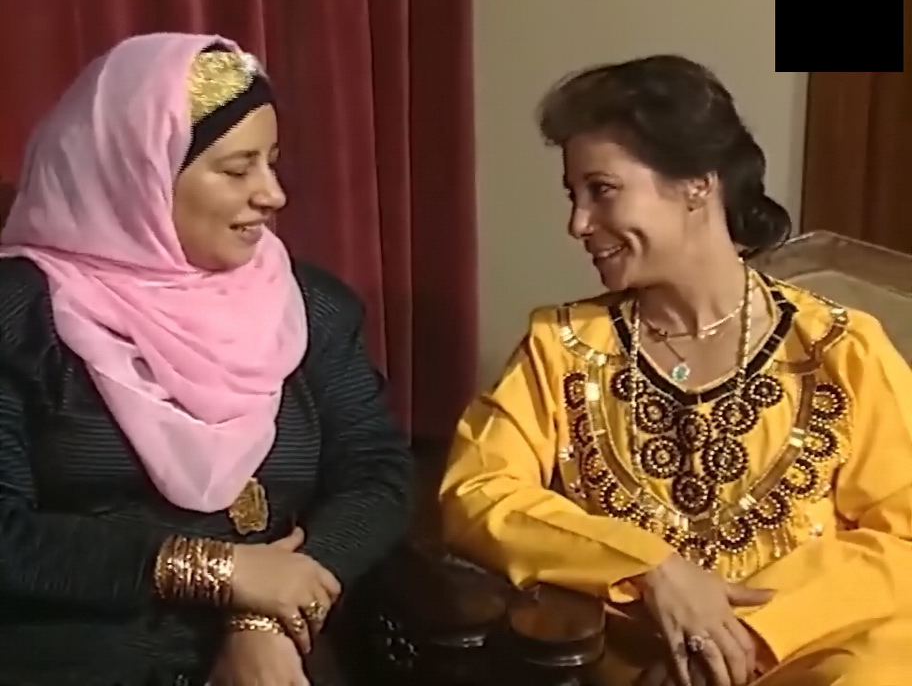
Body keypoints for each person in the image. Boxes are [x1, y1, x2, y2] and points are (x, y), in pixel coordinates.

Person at [439, 55, 912, 686]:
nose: (578, 224)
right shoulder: (562, 346)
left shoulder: (839, 348)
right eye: (574, 197)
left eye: (602, 190)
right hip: (625, 661)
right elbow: (477, 494)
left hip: (808, 651)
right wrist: (650, 567)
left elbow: (903, 537)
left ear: (696, 184)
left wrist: (742, 631)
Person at [0, 33, 413, 686]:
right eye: (237, 169)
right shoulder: (19, 316)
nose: (272, 194)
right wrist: (217, 570)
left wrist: (264, 616)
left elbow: (378, 474)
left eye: (272, 163)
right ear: (141, 174)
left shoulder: (312, 306)